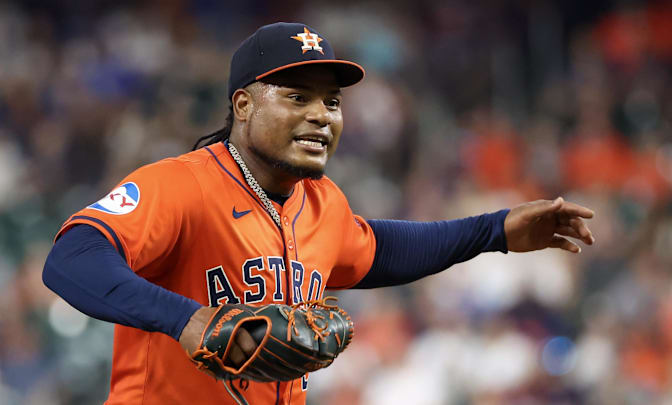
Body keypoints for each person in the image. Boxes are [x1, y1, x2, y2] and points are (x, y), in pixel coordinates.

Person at [42, 22, 595, 405]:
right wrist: (187, 319)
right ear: (243, 104)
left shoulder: (322, 202)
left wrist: (493, 230)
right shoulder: (178, 184)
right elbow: (72, 258)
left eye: (331, 101)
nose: (321, 116)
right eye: (296, 95)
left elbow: (381, 250)